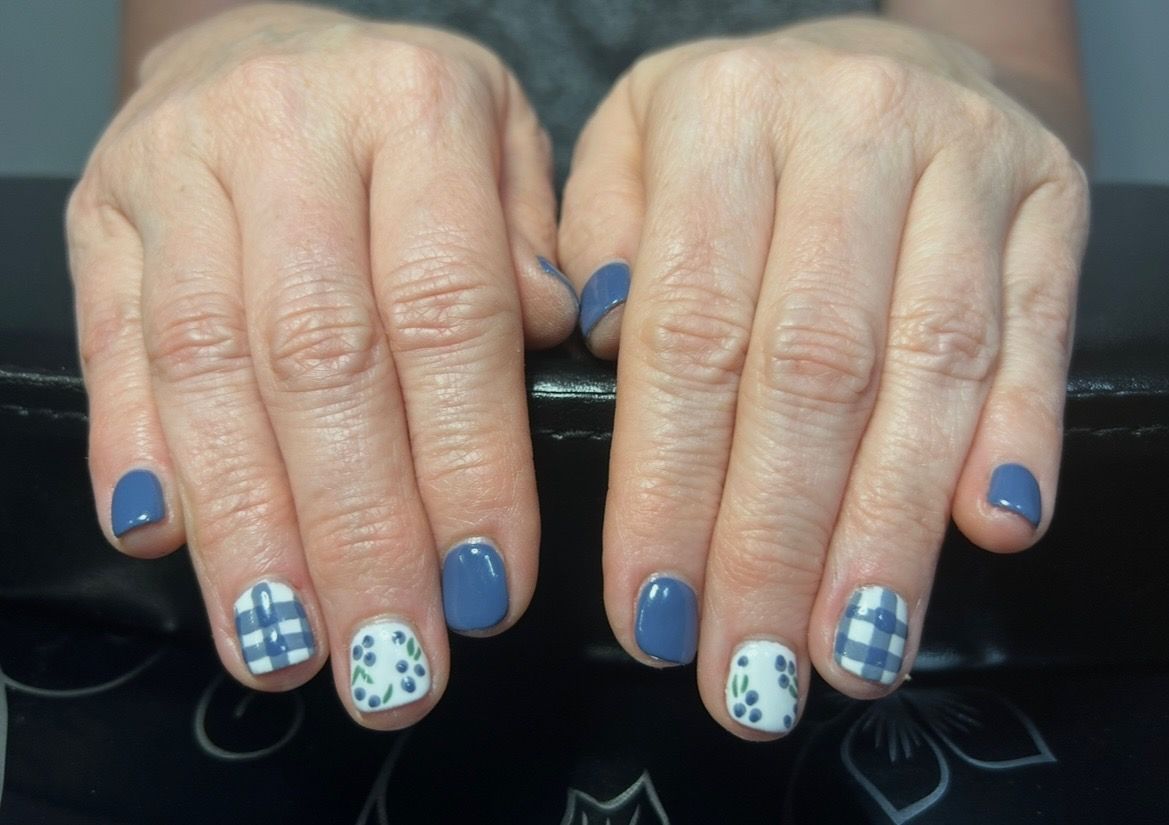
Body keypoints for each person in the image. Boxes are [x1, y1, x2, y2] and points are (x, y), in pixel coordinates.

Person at [67, 0, 1089, 740]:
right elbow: (183, 40)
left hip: (860, 388)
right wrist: (222, 62)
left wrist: (920, 70)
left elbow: (1024, 83)